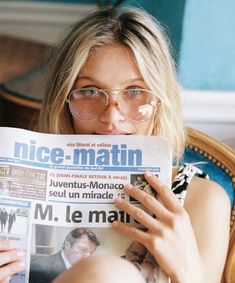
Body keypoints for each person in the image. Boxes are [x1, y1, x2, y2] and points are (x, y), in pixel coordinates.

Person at [0, 6, 231, 283]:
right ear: (64, 101)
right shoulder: (10, 189)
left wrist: (188, 271)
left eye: (135, 92)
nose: (111, 116)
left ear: (160, 101)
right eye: (89, 91)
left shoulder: (202, 200)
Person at [29, 228, 100, 283]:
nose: (87, 257)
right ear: (67, 244)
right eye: (83, 250)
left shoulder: (86, 272)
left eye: (91, 253)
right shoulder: (40, 268)